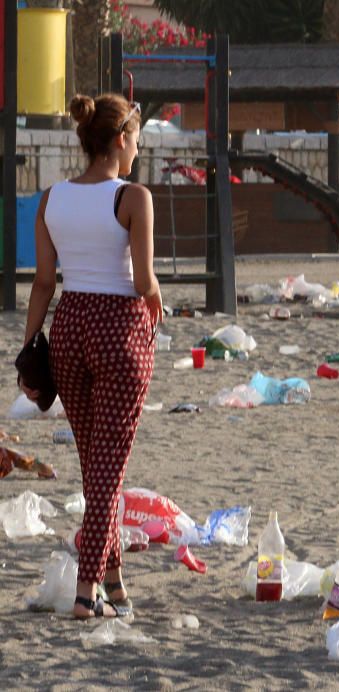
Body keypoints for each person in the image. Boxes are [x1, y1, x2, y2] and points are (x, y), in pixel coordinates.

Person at [20, 93, 161, 620]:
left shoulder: (52, 198)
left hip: (71, 324)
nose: (137, 153)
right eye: (137, 142)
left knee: (96, 462)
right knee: (109, 463)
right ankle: (87, 591)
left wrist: (30, 347)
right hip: (119, 326)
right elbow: (143, 280)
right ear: (121, 139)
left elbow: (42, 282)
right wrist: (157, 302)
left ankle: (115, 580)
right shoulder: (133, 196)